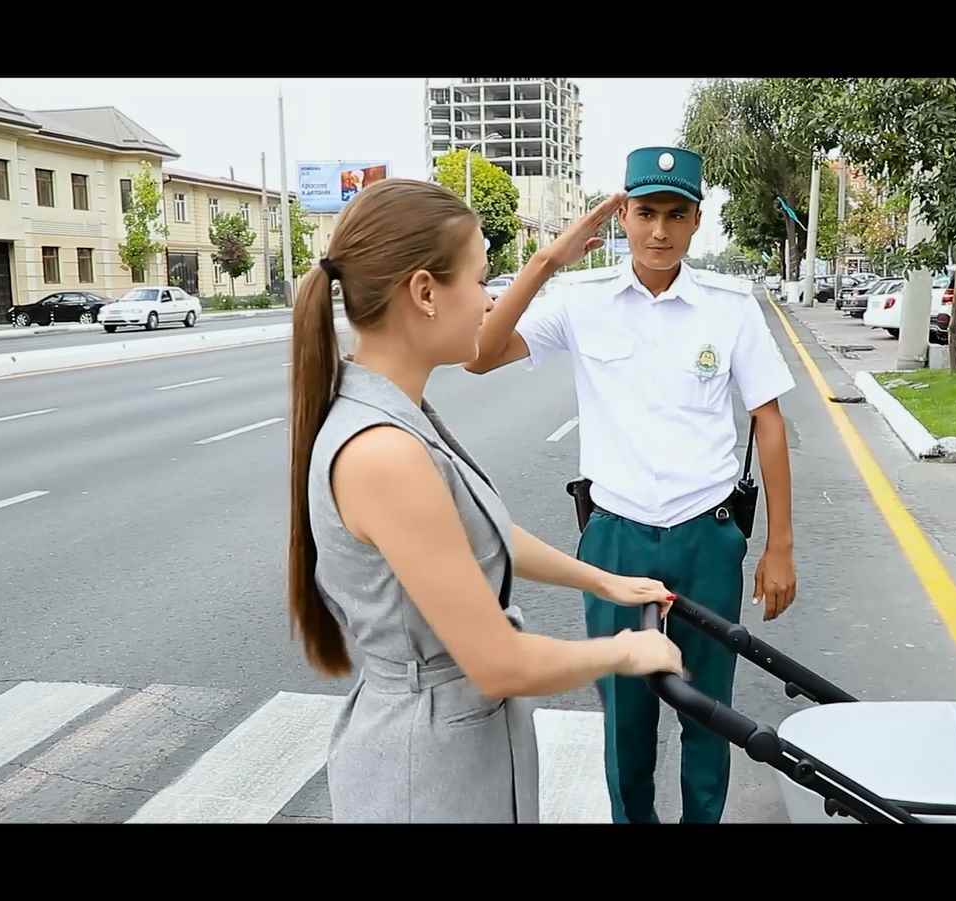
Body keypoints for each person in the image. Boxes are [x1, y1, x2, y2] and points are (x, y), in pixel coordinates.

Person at [286, 178, 685, 823]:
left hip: (454, 744)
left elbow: (479, 533)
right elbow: (498, 664)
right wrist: (627, 652)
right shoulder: (384, 451)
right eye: (479, 281)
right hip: (428, 772)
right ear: (423, 292)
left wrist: (608, 583)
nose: (489, 301)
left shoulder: (397, 414)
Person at [466, 147, 799, 824]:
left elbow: (768, 419)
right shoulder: (581, 301)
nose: (659, 231)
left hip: (707, 538)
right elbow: (479, 356)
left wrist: (779, 546)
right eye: (645, 212)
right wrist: (545, 261)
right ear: (622, 214)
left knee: (711, 714)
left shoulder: (729, 307)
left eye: (676, 214)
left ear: (697, 221)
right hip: (614, 538)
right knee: (626, 719)